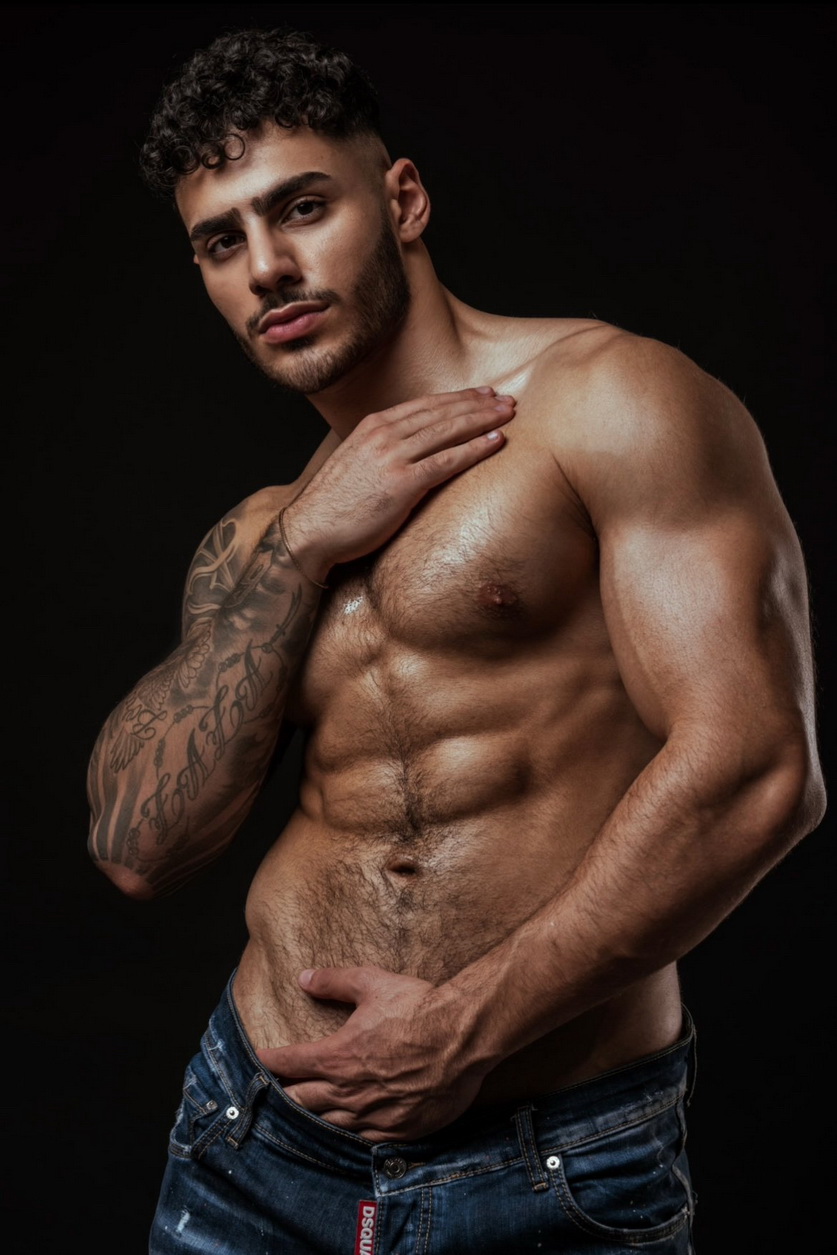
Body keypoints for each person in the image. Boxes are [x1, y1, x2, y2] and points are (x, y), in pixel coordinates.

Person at [86, 26, 826, 1255]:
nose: (268, 268)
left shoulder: (609, 401)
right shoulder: (264, 534)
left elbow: (757, 767)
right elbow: (133, 845)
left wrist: (466, 1027)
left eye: (302, 207)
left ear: (403, 200)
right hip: (251, 1146)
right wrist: (299, 550)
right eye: (221, 241)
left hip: (548, 1162)